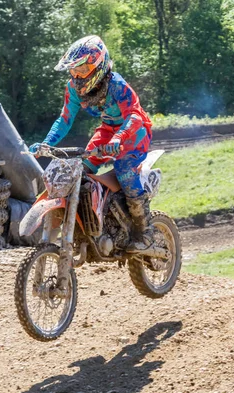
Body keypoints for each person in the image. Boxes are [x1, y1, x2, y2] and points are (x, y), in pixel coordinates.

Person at [30, 35, 154, 252]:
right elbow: (65, 119)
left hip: (134, 132)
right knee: (81, 169)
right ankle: (95, 220)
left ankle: (144, 231)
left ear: (99, 66)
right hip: (107, 130)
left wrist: (119, 138)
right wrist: (46, 144)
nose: (77, 76)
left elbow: (134, 115)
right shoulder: (73, 88)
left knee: (124, 169)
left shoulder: (117, 85)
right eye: (74, 71)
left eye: (83, 69)